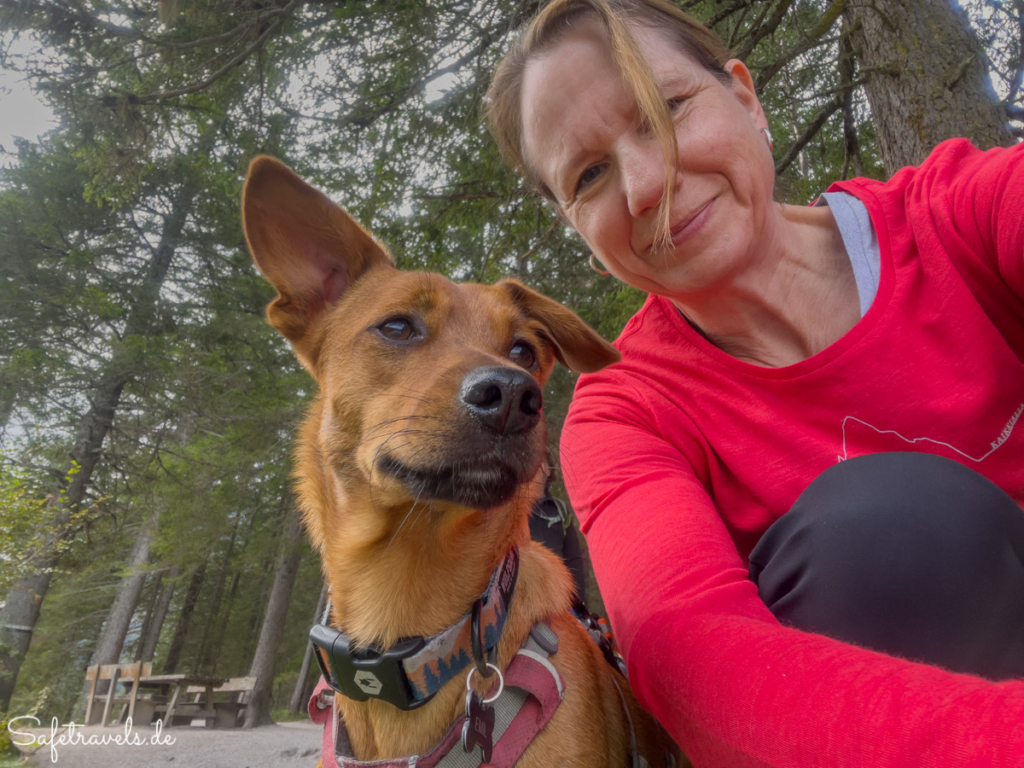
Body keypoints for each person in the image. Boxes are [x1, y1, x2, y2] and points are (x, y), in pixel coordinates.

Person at [484, 0, 1024, 765]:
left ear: (744, 95)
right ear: (578, 227)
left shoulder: (958, 216)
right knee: (889, 535)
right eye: (590, 174)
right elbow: (692, 660)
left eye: (663, 110)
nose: (644, 184)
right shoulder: (627, 411)